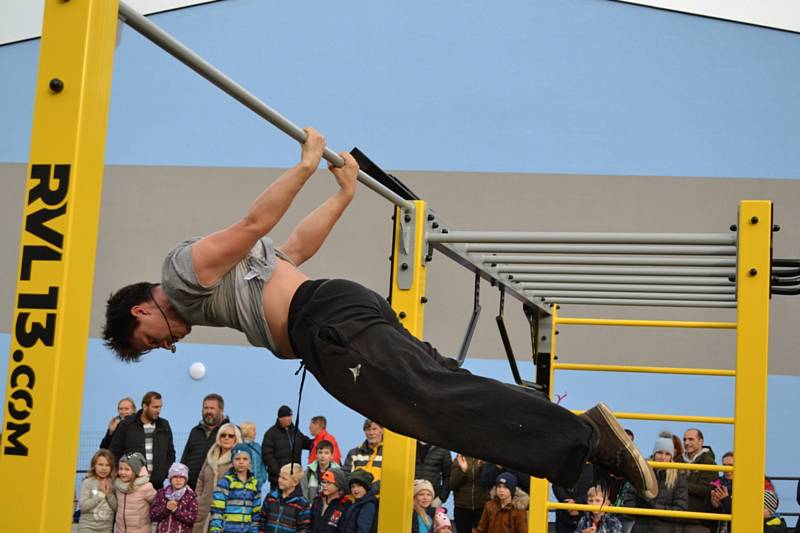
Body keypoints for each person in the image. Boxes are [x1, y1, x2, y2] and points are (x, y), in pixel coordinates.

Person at [101, 128, 657, 500]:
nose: (166, 345)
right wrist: (342, 196)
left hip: (329, 328)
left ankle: (582, 439)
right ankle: (578, 458)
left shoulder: (180, 273)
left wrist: (304, 166)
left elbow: (253, 226)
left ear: (141, 308)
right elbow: (288, 252)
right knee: (442, 392)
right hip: (336, 313)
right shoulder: (218, 288)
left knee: (432, 406)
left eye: (150, 339)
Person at [622, 431, 687, 533]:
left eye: (667, 454)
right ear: (654, 454)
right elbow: (628, 503)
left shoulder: (678, 479)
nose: (663, 457)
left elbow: (680, 512)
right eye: (660, 452)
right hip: (641, 528)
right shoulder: (641, 474)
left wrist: (651, 506)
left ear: (671, 457)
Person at [109, 391, 176, 489]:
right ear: (145, 406)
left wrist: (162, 474)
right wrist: (123, 475)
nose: (159, 410)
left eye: (160, 407)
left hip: (156, 486)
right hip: (132, 486)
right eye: (155, 407)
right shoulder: (126, 425)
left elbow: (170, 454)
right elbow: (114, 452)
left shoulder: (164, 426)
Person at [195, 422, 243, 533]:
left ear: (236, 439)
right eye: (223, 435)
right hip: (203, 508)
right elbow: (201, 478)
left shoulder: (239, 459)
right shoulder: (210, 455)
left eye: (230, 436)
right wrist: (198, 499)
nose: (226, 438)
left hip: (224, 511)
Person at [209, 445, 262, 533]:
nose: (241, 462)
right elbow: (217, 509)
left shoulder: (255, 484)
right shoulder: (225, 482)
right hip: (227, 529)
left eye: (245, 459)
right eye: (237, 459)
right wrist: (215, 529)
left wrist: (254, 530)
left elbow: (256, 511)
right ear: (232, 461)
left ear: (250, 461)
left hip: (247, 530)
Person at [182, 393, 230, 489]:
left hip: (218, 489)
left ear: (221, 410)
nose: (208, 411)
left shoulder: (230, 432)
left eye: (212, 408)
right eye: (206, 408)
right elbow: (185, 458)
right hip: (191, 488)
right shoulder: (195, 431)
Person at [262, 405, 313, 491]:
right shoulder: (270, 434)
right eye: (286, 417)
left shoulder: (295, 431)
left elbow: (306, 442)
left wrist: (319, 441)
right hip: (278, 481)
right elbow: (267, 456)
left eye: (290, 416)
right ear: (280, 418)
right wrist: (280, 473)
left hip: (295, 479)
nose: (289, 419)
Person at [676, 429, 716, 533]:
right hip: (675, 518)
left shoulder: (709, 462)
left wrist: (680, 484)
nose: (686, 443)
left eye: (691, 439)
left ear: (701, 441)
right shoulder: (678, 460)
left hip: (697, 522)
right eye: (684, 439)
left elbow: (705, 489)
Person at [260, 462, 311, 533]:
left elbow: (304, 529)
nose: (280, 480)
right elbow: (262, 520)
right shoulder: (270, 497)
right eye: (279, 476)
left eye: (284, 478)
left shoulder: (302, 504)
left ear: (295, 482)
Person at [113, 452, 157, 533]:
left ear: (136, 471)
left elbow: (157, 504)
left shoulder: (145, 487)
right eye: (121, 468)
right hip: (120, 530)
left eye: (127, 469)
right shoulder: (118, 486)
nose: (123, 472)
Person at [150, 462, 199, 533]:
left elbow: (193, 518)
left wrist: (176, 511)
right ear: (170, 479)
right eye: (175, 477)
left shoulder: (190, 496)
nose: (178, 480)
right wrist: (165, 508)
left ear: (186, 480)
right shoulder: (161, 493)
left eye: (181, 477)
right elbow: (153, 515)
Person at [78, 449, 117, 533]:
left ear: (111, 468)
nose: (104, 468)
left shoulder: (114, 484)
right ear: (94, 465)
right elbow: (83, 507)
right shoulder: (87, 482)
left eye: (107, 465)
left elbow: (117, 508)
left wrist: (108, 494)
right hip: (87, 527)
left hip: (106, 529)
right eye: (100, 464)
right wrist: (100, 495)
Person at [449, 454, 488, 533]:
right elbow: (452, 485)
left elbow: (488, 482)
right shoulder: (459, 458)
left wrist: (482, 468)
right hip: (462, 507)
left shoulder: (486, 459)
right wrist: (463, 471)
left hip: (481, 506)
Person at [553, 463, 594, 533]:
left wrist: (576, 502)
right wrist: (568, 504)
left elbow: (595, 491)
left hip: (585, 515)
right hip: (563, 515)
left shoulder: (593, 469)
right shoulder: (562, 466)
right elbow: (556, 485)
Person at [343, 419, 384, 488]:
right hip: (357, 497)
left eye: (374, 429)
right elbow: (345, 477)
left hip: (381, 496)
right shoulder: (354, 453)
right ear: (364, 432)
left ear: (382, 430)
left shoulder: (389, 453)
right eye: (368, 429)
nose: (371, 433)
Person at [414, 441, 452, 506]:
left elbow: (448, 476)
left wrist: (441, 498)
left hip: (432, 500)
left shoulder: (443, 448)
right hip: (409, 496)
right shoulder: (408, 444)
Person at [708, 452, 733, 533]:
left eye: (731, 465)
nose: (727, 469)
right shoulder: (715, 484)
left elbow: (744, 516)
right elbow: (705, 521)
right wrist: (715, 507)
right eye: (724, 465)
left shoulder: (746, 486)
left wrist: (726, 500)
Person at [240, 421, 268, 488]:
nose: (255, 432)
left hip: (258, 485)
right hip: (243, 486)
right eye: (253, 430)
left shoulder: (257, 446)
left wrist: (262, 479)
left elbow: (263, 464)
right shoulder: (239, 447)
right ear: (246, 431)